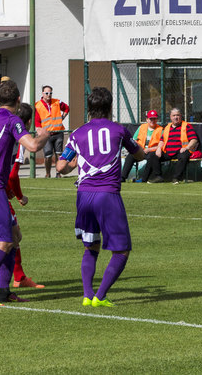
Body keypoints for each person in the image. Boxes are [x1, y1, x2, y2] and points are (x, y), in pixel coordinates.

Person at [56, 87, 144, 308]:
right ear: (110, 107)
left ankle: (87, 294)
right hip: (107, 195)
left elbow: (61, 166)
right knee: (122, 249)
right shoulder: (119, 130)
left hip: (83, 195)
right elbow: (139, 154)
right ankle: (100, 296)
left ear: (90, 108)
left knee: (91, 246)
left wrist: (73, 165)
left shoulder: (77, 133)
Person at [0, 79, 50, 306]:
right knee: (4, 241)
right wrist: (44, 134)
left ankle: (4, 292)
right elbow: (33, 146)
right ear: (17, 100)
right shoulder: (12, 120)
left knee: (15, 237)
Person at [143, 107, 198, 185]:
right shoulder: (167, 127)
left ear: (181, 116)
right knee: (153, 155)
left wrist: (187, 147)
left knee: (183, 156)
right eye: (174, 115)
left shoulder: (186, 126)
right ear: (171, 117)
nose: (176, 117)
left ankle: (176, 178)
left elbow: (194, 140)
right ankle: (158, 176)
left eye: (177, 115)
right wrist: (158, 148)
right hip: (168, 152)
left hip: (181, 151)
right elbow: (162, 140)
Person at [35, 85, 70, 178]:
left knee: (59, 153)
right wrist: (39, 130)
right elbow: (37, 121)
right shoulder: (37, 105)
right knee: (48, 154)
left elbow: (67, 108)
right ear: (42, 94)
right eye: (46, 93)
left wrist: (63, 117)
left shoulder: (57, 102)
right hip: (46, 135)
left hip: (58, 132)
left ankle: (58, 173)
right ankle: (48, 173)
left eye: (50, 93)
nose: (48, 95)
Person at [121, 110, 163, 182]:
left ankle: (143, 179)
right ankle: (122, 177)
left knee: (151, 157)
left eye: (154, 118)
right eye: (151, 119)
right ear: (147, 119)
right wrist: (138, 148)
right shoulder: (142, 127)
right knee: (131, 156)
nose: (152, 120)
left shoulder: (161, 129)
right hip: (140, 150)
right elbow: (134, 140)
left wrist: (149, 149)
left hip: (152, 152)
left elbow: (161, 145)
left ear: (157, 119)